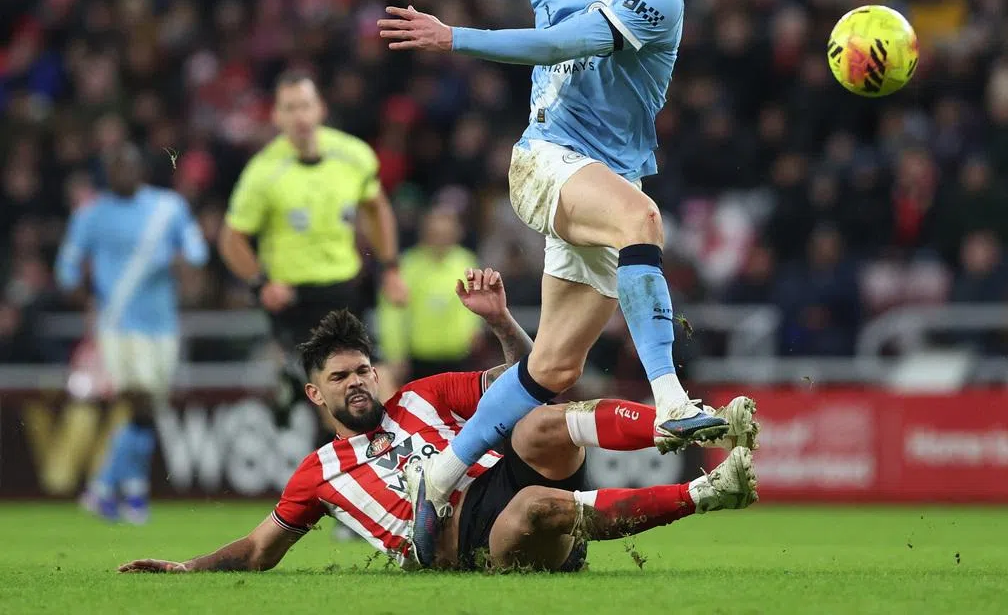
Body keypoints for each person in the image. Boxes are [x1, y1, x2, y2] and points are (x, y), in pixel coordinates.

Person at [376, 0, 726, 564]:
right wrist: (458, 40)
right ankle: (673, 397)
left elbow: (565, 41)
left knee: (554, 366)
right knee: (643, 220)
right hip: (544, 161)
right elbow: (548, 44)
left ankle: (439, 475)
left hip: (605, 177)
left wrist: (456, 38)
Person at [117, 269, 758, 574]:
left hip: (498, 479)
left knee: (540, 421)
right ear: (315, 395)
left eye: (363, 370)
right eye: (340, 378)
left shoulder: (422, 396)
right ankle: (708, 492)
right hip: (465, 543)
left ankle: (687, 423)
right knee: (536, 502)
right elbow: (260, 550)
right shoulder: (319, 474)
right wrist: (188, 569)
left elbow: (528, 378)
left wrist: (500, 321)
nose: (359, 383)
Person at [219, 70, 409, 419]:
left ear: (320, 109)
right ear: (276, 116)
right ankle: (298, 392)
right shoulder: (263, 172)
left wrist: (391, 269)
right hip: (296, 299)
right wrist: (262, 283)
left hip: (347, 290)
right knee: (337, 396)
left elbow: (376, 207)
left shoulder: (354, 155)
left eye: (305, 106)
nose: (299, 117)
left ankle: (293, 389)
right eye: (289, 108)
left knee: (382, 386)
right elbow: (231, 240)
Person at [55, 143, 208, 523]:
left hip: (163, 324)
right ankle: (105, 488)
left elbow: (196, 249)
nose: (123, 173)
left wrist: (181, 260)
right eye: (116, 167)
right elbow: (67, 267)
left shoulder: (167, 208)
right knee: (138, 399)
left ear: (141, 170)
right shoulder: (91, 214)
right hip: (119, 324)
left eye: (129, 165)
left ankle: (126, 492)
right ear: (107, 173)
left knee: (149, 406)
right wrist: (83, 298)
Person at [379, 206, 481, 382]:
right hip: (418, 358)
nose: (441, 239)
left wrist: (474, 330)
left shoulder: (465, 262)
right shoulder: (407, 266)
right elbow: (393, 313)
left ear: (456, 233)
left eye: (446, 233)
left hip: (458, 355)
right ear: (424, 233)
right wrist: (395, 353)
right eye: (435, 233)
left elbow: (475, 303)